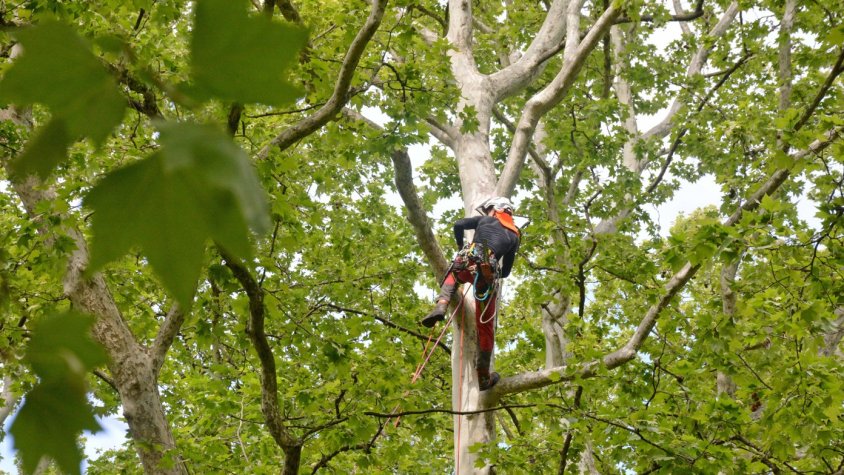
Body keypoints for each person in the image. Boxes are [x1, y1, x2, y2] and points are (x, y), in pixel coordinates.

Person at [420, 196, 520, 390]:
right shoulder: (514, 236)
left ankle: (441, 305)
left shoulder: (486, 220)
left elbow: (459, 224)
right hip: (486, 276)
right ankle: (483, 376)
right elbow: (506, 272)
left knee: (453, 275)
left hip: (467, 262)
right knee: (485, 326)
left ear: (494, 210)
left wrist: (460, 246)